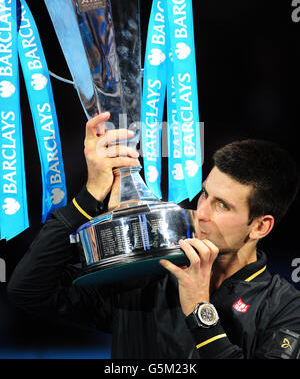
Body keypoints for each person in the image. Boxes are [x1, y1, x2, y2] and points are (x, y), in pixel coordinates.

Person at [7, 112, 300, 359]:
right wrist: (89, 197)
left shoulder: (286, 308)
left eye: (222, 205)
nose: (202, 213)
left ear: (260, 226)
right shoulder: (146, 274)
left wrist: (200, 313)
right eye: (204, 195)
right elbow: (27, 288)